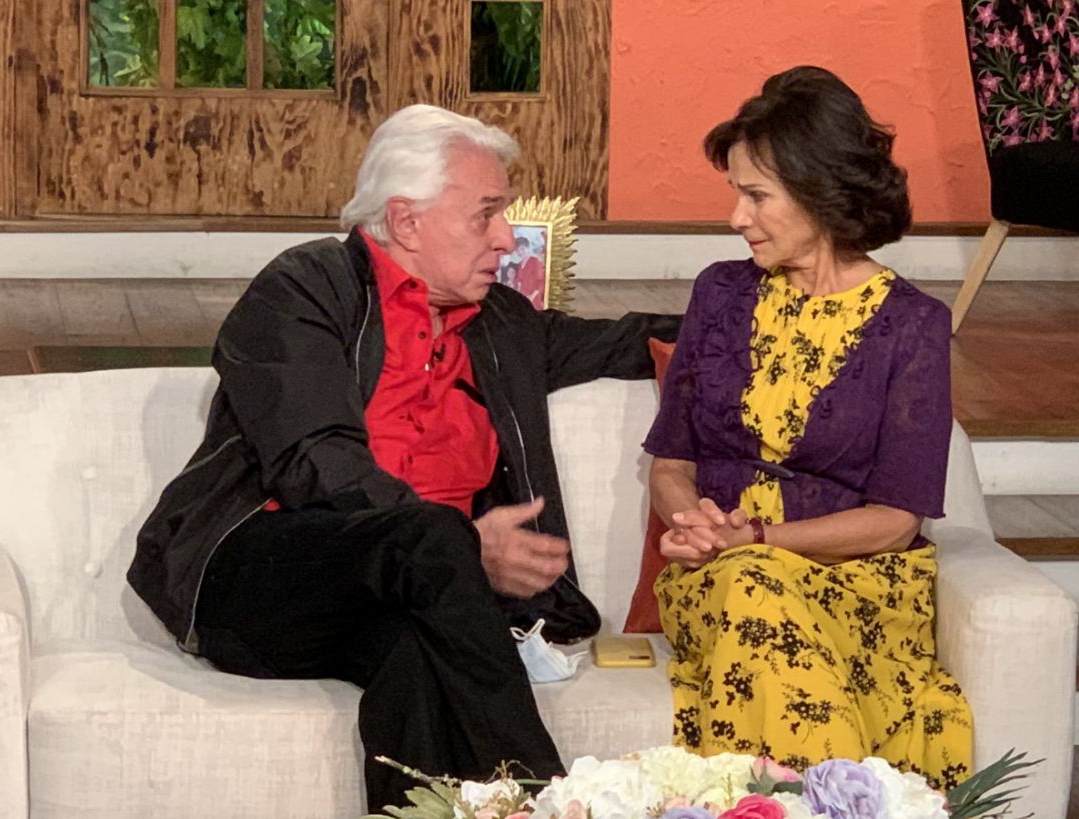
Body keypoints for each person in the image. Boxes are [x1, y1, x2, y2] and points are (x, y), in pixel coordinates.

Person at [127, 104, 679, 812]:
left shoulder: (500, 326)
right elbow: (315, 462)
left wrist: (778, 304)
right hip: (262, 574)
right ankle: (549, 796)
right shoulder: (304, 289)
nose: (507, 237)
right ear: (407, 221)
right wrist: (462, 547)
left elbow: (633, 339)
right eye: (486, 214)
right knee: (430, 535)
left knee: (412, 660)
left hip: (409, 595)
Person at [644, 66, 972, 788]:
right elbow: (670, 464)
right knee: (748, 586)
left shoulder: (913, 325)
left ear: (820, 193)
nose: (737, 217)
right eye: (737, 193)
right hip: (721, 580)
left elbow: (895, 521)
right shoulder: (719, 293)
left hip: (857, 587)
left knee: (756, 581)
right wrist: (697, 525)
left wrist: (759, 540)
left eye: (757, 196)